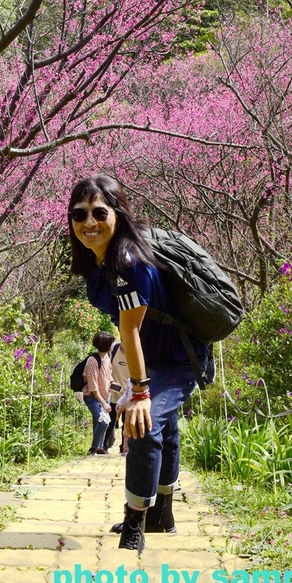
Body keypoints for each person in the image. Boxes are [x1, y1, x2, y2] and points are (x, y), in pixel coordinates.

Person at [68, 174, 211, 552]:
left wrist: (140, 392)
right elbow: (129, 328)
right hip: (153, 354)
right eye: (79, 214)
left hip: (178, 357)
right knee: (165, 426)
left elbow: (128, 331)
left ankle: (136, 523)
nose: (88, 223)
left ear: (117, 214)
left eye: (99, 212)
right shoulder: (100, 263)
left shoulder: (128, 263)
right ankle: (163, 511)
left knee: (142, 424)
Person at [81, 330, 115, 454]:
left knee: (100, 421)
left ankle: (99, 447)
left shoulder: (107, 357)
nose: (113, 345)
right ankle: (94, 448)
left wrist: (113, 385)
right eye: (111, 343)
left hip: (105, 395)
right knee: (103, 421)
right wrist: (104, 403)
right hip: (93, 397)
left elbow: (108, 374)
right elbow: (93, 385)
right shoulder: (93, 361)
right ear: (105, 344)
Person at [106, 341, 129, 454]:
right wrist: (111, 383)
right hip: (115, 394)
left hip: (129, 395)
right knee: (110, 421)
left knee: (126, 422)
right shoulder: (115, 350)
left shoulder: (136, 351)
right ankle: (104, 446)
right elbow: (107, 369)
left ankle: (124, 448)